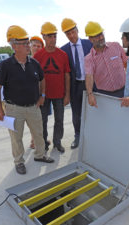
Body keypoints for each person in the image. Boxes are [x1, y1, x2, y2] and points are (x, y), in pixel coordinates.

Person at [0, 25, 54, 175]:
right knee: (16, 138)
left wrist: (43, 96)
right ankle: (19, 162)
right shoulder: (5, 66)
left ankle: (40, 155)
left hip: (33, 107)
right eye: (24, 43)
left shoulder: (34, 63)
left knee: (39, 133)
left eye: (28, 42)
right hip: (14, 109)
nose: (28, 46)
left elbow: (42, 79)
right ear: (14, 46)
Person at [34, 22, 71, 153]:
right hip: (44, 96)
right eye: (49, 36)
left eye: (54, 36)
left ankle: (57, 142)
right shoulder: (38, 56)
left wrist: (67, 95)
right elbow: (35, 78)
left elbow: (67, 75)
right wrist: (38, 96)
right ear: (43, 36)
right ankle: (43, 143)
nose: (53, 39)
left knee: (59, 119)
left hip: (59, 95)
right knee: (42, 120)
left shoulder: (62, 55)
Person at [60, 18, 93, 149]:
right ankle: (77, 136)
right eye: (68, 34)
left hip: (90, 84)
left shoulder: (89, 44)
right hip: (75, 86)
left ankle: (91, 136)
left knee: (92, 110)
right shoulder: (64, 50)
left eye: (73, 32)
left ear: (77, 31)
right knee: (76, 113)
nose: (71, 36)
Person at [84, 21, 127, 107]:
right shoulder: (89, 59)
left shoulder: (116, 46)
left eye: (101, 34)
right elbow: (89, 76)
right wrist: (90, 94)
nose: (101, 37)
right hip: (104, 96)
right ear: (90, 39)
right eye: (97, 36)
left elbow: (126, 63)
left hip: (124, 92)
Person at [29, 35, 44, 149]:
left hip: (42, 94)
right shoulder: (26, 60)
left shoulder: (43, 61)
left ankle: (39, 138)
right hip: (30, 96)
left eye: (39, 46)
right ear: (30, 46)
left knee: (42, 118)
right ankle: (34, 140)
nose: (36, 48)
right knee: (32, 120)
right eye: (34, 45)